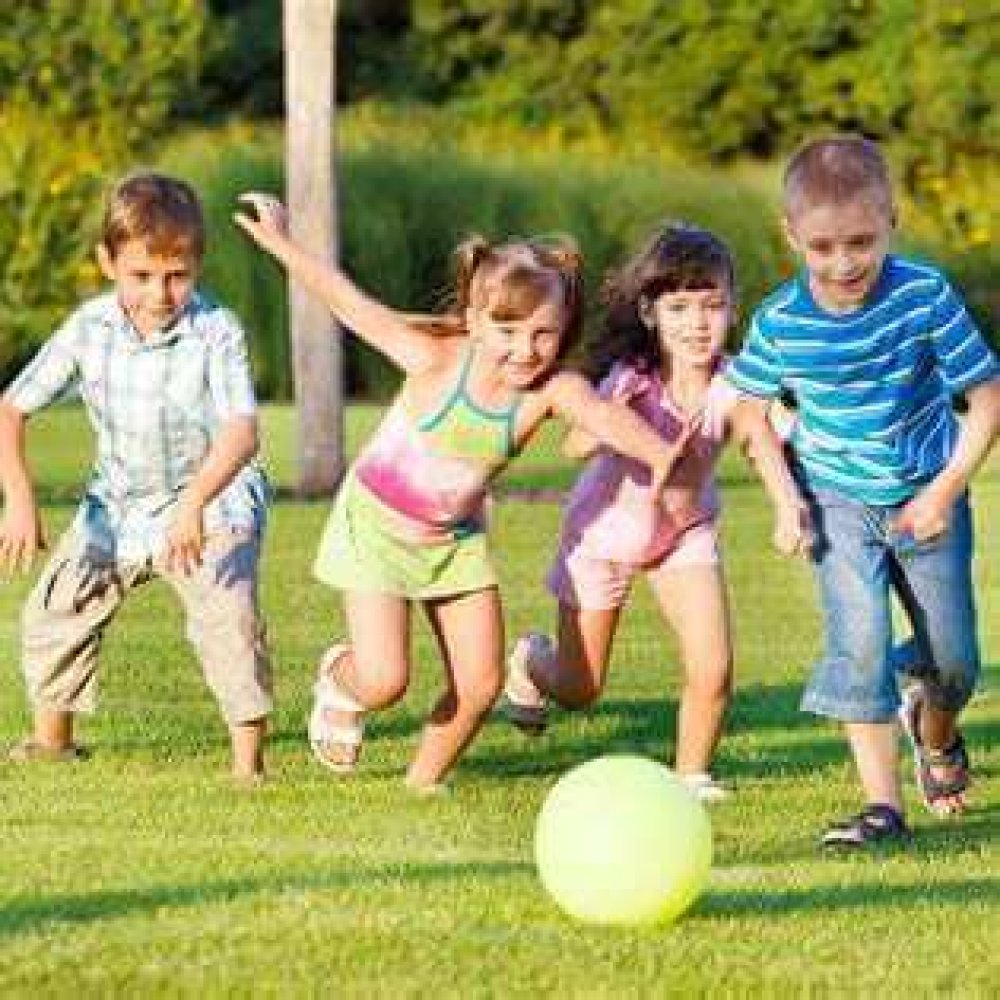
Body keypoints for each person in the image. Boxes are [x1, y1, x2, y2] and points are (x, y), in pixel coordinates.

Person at [235, 194, 701, 792]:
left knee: (480, 685)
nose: (524, 349)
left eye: (543, 334)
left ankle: (421, 784)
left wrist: (659, 452)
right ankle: (341, 682)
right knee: (385, 680)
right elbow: (348, 304)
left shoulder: (549, 389)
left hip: (453, 542)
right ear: (476, 321)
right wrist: (280, 240)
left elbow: (603, 416)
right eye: (507, 330)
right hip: (375, 529)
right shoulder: (433, 358)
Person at [726, 135, 1000, 847]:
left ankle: (932, 731)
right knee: (862, 642)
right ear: (792, 235)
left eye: (860, 242)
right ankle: (884, 808)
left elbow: (987, 398)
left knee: (956, 663)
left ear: (892, 223)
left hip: (924, 495)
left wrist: (943, 492)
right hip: (835, 501)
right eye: (821, 247)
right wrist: (786, 500)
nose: (843, 263)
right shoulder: (781, 321)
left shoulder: (923, 295)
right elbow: (749, 412)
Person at [502, 222, 812, 801]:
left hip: (683, 537)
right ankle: (531, 661)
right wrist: (608, 423)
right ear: (650, 312)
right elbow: (572, 446)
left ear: (731, 308)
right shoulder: (631, 379)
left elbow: (761, 438)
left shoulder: (736, 383)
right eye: (679, 307)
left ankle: (691, 776)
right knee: (581, 687)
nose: (697, 323)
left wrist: (787, 506)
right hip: (601, 539)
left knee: (713, 667)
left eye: (712, 306)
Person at [0, 172, 272, 783]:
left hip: (213, 497)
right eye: (141, 276)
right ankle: (52, 745)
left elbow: (240, 432)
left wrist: (196, 501)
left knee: (227, 618)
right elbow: (11, 409)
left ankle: (248, 767)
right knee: (56, 611)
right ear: (108, 262)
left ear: (196, 265)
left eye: (177, 275)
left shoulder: (216, 331)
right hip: (117, 504)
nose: (159, 294)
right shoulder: (88, 328)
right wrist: (18, 497)